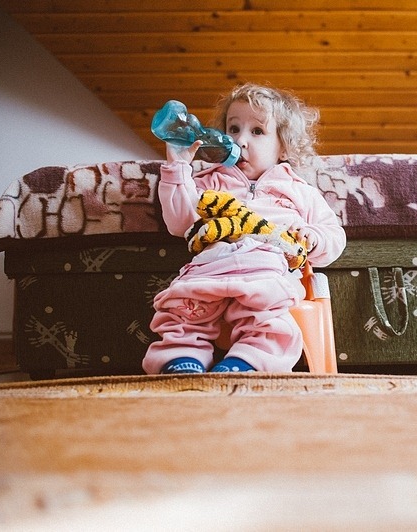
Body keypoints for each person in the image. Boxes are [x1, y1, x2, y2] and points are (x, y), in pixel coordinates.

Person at [142, 83, 346, 374]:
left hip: (268, 269)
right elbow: (180, 223)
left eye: (257, 131)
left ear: (284, 147)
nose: (240, 141)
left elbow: (334, 235)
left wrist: (313, 238)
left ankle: (244, 364)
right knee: (182, 309)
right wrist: (178, 168)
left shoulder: (299, 190)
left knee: (269, 319)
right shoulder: (211, 180)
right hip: (210, 267)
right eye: (233, 128)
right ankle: (181, 359)